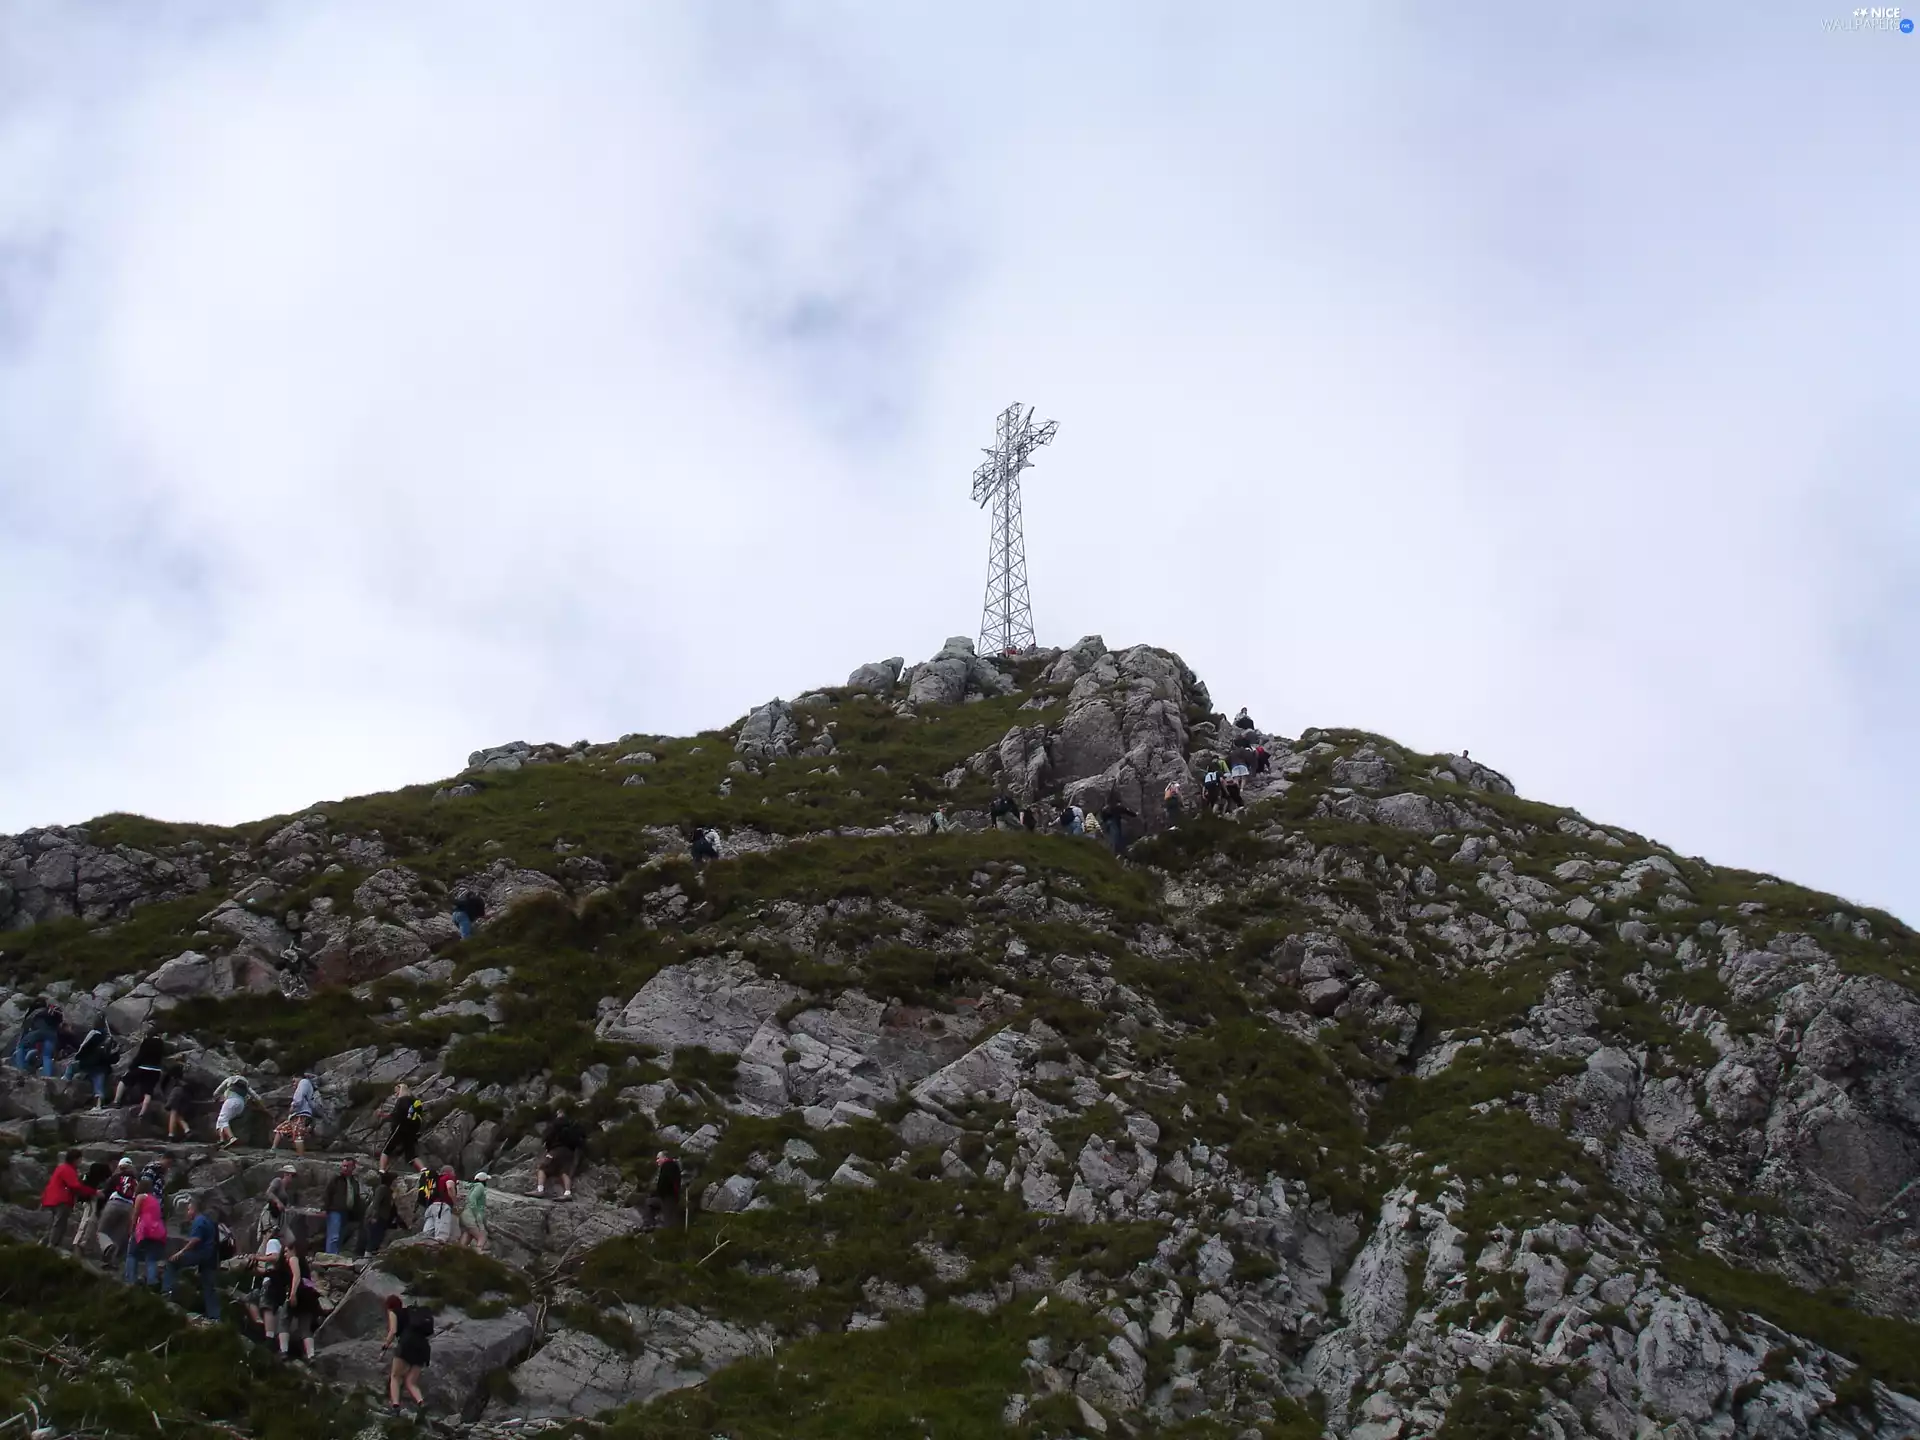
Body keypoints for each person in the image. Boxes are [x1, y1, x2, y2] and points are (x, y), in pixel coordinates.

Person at [163, 1193, 222, 1320]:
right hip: (211, 1258)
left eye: (189, 1209)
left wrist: (181, 1252)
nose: (187, 1212)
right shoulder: (208, 1221)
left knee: (172, 1263)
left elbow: (195, 1240)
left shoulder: (198, 1221)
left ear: (194, 1209)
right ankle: (215, 1316)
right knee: (209, 1287)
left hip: (201, 1254)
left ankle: (167, 1291)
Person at [382, 1295, 433, 1415]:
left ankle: (395, 1407)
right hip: (423, 1347)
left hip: (407, 1344)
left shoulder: (394, 1312)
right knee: (411, 1381)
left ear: (389, 1306)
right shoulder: (411, 1313)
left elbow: (393, 1331)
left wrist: (385, 1345)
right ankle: (421, 1403)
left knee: (395, 1376)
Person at [39, 1148, 96, 1248]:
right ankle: (51, 1247)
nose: (81, 1161)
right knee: (59, 1224)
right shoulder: (68, 1169)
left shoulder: (61, 1168)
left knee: (52, 1224)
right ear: (76, 1159)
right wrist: (93, 1192)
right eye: (80, 1159)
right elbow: (74, 1186)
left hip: (51, 1200)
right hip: (62, 1200)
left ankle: (42, 1245)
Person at [536, 1103, 585, 1201]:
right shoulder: (574, 1125)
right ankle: (567, 1193)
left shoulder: (556, 1123)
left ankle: (540, 1190)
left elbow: (547, 1135)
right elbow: (581, 1140)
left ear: (560, 1113)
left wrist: (547, 1145)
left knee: (542, 1167)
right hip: (569, 1153)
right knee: (564, 1172)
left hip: (556, 1150)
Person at [97, 1157, 139, 1267]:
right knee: (118, 1235)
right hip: (129, 1208)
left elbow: (106, 1192)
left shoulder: (117, 1177)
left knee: (101, 1231)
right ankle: (112, 1262)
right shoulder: (135, 1181)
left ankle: (107, 1246)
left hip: (114, 1203)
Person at [63, 1025, 119, 1109]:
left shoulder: (94, 1034)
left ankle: (63, 1083)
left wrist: (78, 1057)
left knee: (71, 1067)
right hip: (101, 1068)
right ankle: (98, 1105)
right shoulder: (111, 1041)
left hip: (87, 1064)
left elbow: (83, 1047)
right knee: (98, 1087)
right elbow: (114, 1059)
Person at [125, 1176, 168, 1287]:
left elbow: (136, 1214)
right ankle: (152, 1281)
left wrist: (131, 1229)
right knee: (151, 1257)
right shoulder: (155, 1200)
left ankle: (130, 1281)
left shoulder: (141, 1197)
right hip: (157, 1230)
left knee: (132, 1254)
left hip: (144, 1228)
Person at [70, 1157, 113, 1258]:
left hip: (89, 1201)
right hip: (92, 1201)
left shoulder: (89, 1176)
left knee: (89, 1222)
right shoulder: (100, 1178)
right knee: (87, 1221)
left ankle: (82, 1245)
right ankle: (78, 1245)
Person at [115, 1034, 167, 1114]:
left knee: (124, 1080)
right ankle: (142, 1113)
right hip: (156, 1070)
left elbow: (140, 1055)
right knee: (148, 1091)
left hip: (143, 1068)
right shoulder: (160, 1043)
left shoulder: (147, 1042)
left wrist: (131, 1067)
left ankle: (116, 1101)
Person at [322, 1157, 364, 1255]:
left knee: (341, 1236)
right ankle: (330, 1255)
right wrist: (324, 1209)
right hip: (335, 1210)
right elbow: (327, 1193)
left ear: (353, 1167)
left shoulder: (354, 1182)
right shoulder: (336, 1179)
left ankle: (336, 1255)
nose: (345, 1168)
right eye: (343, 1166)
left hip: (347, 1212)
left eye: (347, 1166)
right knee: (334, 1236)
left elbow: (356, 1198)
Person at [378, 1083, 425, 1170]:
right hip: (412, 1130)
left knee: (386, 1150)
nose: (396, 1094)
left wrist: (382, 1115)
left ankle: (381, 1170)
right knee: (411, 1154)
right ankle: (424, 1170)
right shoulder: (416, 1101)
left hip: (400, 1128)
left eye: (397, 1092)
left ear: (401, 1090)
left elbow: (396, 1115)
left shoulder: (402, 1100)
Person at [271, 1072, 318, 1154]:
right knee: (280, 1129)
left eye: (294, 1080)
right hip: (296, 1115)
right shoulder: (305, 1084)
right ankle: (273, 1149)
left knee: (297, 1134)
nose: (293, 1083)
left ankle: (301, 1156)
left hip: (302, 1114)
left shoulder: (304, 1082)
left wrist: (293, 1106)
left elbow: (298, 1097)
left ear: (299, 1077)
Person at [14, 999, 60, 1077]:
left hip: (37, 1032)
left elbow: (25, 1029)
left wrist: (21, 1041)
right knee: (47, 1056)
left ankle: (20, 1071)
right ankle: (47, 1077)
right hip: (52, 1034)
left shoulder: (34, 1013)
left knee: (21, 1047)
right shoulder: (51, 1012)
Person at [214, 1074, 257, 1148]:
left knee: (223, 1119)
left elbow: (218, 1090)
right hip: (241, 1105)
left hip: (231, 1100)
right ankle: (222, 1140)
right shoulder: (246, 1084)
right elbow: (255, 1095)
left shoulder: (230, 1079)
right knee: (221, 1120)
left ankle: (232, 1138)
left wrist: (216, 1096)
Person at [363, 1168, 398, 1256]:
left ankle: (369, 1256)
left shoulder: (384, 1190)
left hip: (380, 1218)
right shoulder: (382, 1189)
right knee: (374, 1239)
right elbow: (376, 1203)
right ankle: (367, 1258)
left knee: (376, 1238)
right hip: (378, 1218)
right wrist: (374, 1217)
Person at [645, 1152, 682, 1230]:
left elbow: (664, 1182)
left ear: (665, 1158)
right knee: (650, 1202)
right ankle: (650, 1224)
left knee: (669, 1220)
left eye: (658, 1158)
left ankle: (651, 1225)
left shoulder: (668, 1165)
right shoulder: (673, 1165)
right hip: (668, 1197)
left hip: (669, 1197)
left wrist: (658, 1192)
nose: (657, 1161)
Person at [421, 1167, 458, 1243]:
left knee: (427, 1233)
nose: (454, 1175)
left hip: (431, 1207)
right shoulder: (448, 1176)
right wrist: (455, 1201)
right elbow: (450, 1187)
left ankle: (424, 1243)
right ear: (450, 1171)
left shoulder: (436, 1179)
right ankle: (438, 1246)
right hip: (442, 1207)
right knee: (441, 1235)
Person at [260, 1163, 296, 1240]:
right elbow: (268, 1193)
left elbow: (286, 1205)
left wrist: (289, 1209)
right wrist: (278, 1202)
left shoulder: (287, 1189)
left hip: (280, 1217)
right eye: (291, 1176)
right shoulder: (278, 1181)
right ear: (286, 1174)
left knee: (289, 1239)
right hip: (271, 1213)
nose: (292, 1178)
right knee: (268, 1238)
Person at [459, 1171, 490, 1252]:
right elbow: (472, 1199)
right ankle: (478, 1254)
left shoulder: (473, 1187)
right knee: (482, 1236)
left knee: (468, 1235)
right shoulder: (480, 1186)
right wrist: (476, 1214)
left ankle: (459, 1254)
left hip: (465, 1216)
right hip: (471, 1216)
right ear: (484, 1181)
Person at [163, 1067, 193, 1138]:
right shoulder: (187, 1073)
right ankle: (187, 1130)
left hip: (176, 1091)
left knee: (173, 1113)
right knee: (177, 1115)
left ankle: (171, 1134)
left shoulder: (174, 1076)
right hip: (186, 1093)